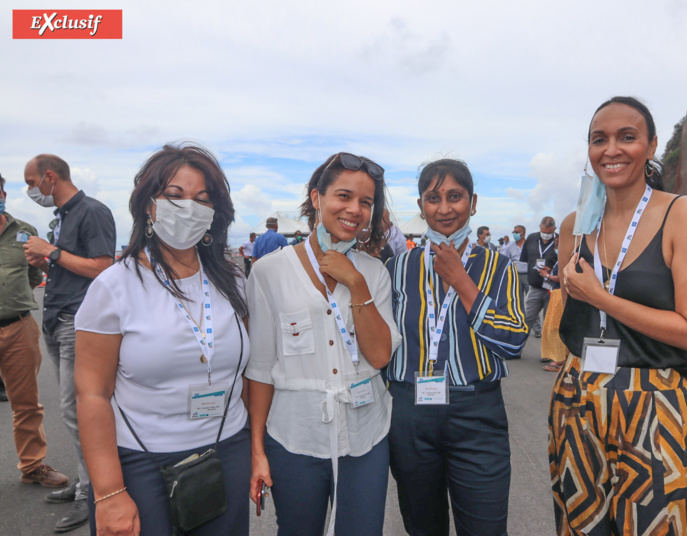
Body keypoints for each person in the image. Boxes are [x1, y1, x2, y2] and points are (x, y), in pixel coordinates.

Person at [554, 96, 687, 534]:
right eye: (599, 139)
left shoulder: (681, 213)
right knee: (583, 524)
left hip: (657, 402)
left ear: (651, 146)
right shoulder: (576, 225)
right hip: (578, 400)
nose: (611, 150)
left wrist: (603, 298)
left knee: (660, 524)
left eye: (626, 137)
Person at [74, 144, 251, 535]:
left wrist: (256, 451)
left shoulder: (233, 279)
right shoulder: (114, 287)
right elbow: (92, 394)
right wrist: (108, 492)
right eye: (174, 196)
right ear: (147, 205)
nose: (189, 207)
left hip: (227, 449)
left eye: (202, 199)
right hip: (142, 461)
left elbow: (247, 369)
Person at [247, 152, 401, 536]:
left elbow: (380, 355)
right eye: (344, 197)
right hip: (295, 435)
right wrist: (257, 450)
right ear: (316, 198)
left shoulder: (374, 272)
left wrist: (356, 283)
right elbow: (261, 368)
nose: (355, 210)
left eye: (366, 202)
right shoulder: (270, 272)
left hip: (365, 435)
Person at [385, 159, 528, 536]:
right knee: (423, 526)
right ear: (421, 206)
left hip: (476, 413)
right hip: (410, 412)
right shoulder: (397, 268)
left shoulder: (499, 267)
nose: (444, 208)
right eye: (433, 198)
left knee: (485, 527)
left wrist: (463, 284)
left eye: (455, 196)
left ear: (473, 202)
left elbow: (513, 341)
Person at [23, 154, 116, 533]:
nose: (31, 191)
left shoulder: (91, 211)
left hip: (77, 323)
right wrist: (49, 263)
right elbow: (74, 264)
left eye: (31, 183)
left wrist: (52, 253)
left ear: (49, 177)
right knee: (71, 412)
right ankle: (86, 481)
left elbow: (104, 267)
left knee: (79, 411)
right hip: (57, 318)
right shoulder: (62, 216)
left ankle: (93, 490)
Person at [0, 172, 70, 489]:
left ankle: (32, 466)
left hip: (18, 327)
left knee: (27, 403)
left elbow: (34, 274)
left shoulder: (25, 231)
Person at [520, 217, 558, 339]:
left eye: (549, 233)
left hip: (552, 289)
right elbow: (525, 259)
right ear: (539, 228)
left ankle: (547, 355)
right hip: (534, 287)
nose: (546, 235)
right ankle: (516, 349)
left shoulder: (560, 240)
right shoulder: (531, 238)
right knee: (526, 319)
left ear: (555, 229)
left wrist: (550, 272)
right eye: (544, 232)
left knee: (549, 323)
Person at [541, 237, 568, 372]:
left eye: (558, 245)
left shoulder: (567, 256)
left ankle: (560, 359)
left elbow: (562, 277)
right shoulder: (561, 257)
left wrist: (547, 276)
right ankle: (558, 357)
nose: (556, 248)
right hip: (556, 293)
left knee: (555, 327)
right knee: (551, 326)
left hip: (560, 293)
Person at [501, 224, 528, 303]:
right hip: (516, 275)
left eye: (517, 232)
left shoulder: (529, 244)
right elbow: (505, 260)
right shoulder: (509, 246)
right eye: (514, 232)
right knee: (517, 298)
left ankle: (534, 316)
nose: (515, 234)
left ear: (523, 233)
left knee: (532, 299)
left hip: (528, 275)